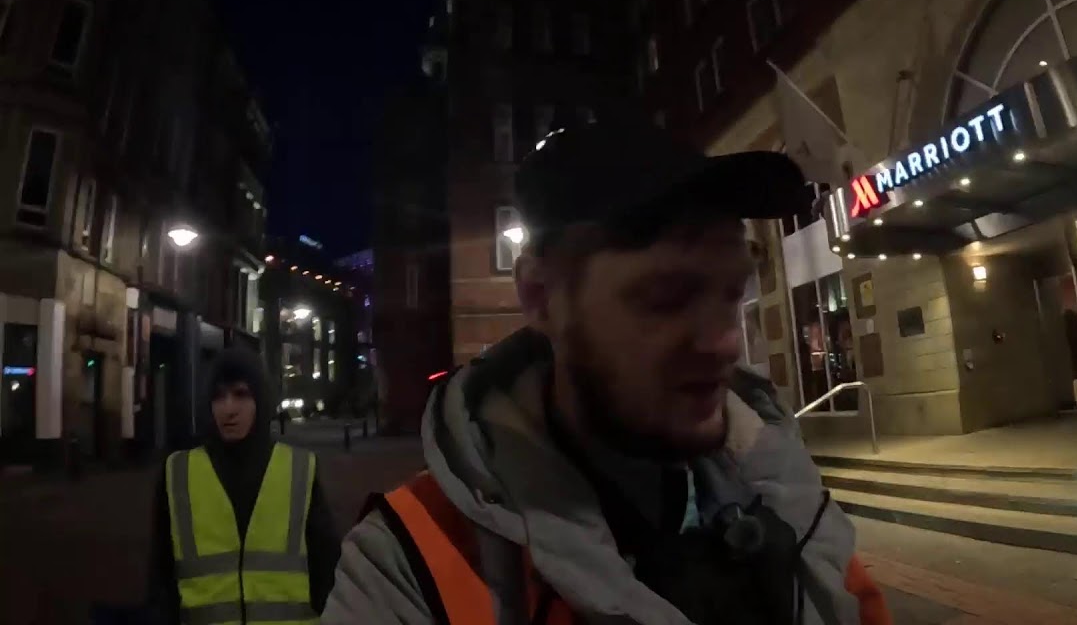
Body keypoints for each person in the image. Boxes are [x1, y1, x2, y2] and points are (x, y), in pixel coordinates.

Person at [322, 116, 891, 624]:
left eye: (731, 292)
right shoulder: (409, 561)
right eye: (666, 296)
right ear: (541, 297)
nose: (723, 341)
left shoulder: (790, 500)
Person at [148, 347, 339, 623]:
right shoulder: (178, 473)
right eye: (218, 397)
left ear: (260, 400)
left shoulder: (299, 469)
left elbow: (328, 574)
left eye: (240, 394)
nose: (228, 409)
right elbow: (161, 581)